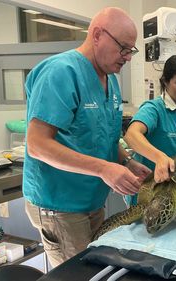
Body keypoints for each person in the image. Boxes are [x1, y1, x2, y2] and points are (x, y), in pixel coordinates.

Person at [23, 7, 151, 267]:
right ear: (97, 35)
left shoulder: (110, 81)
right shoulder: (61, 73)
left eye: (131, 51)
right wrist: (104, 168)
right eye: (123, 49)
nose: (127, 58)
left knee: (97, 269)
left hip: (92, 200)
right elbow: (37, 145)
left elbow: (102, 137)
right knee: (80, 274)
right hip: (60, 205)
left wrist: (126, 162)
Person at [124, 54, 176, 193]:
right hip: (150, 190)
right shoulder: (154, 109)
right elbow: (131, 135)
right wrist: (159, 158)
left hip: (175, 190)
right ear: (166, 82)